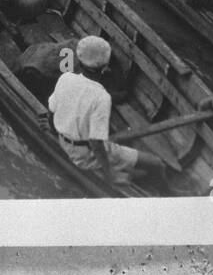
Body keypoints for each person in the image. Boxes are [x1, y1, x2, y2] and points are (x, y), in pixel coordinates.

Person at [48, 36, 170, 191]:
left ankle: (133, 175)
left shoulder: (65, 78)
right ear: (105, 68)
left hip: (63, 141)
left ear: (79, 62)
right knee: (157, 164)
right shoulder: (102, 97)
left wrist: (54, 133)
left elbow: (51, 112)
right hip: (86, 155)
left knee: (129, 162)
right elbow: (96, 143)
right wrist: (110, 174)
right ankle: (167, 193)